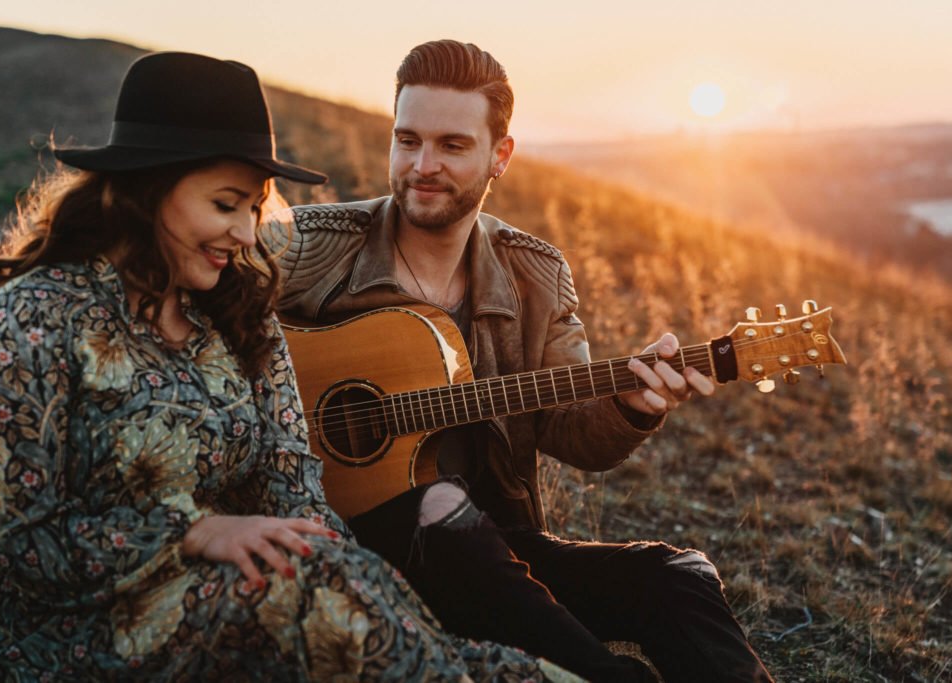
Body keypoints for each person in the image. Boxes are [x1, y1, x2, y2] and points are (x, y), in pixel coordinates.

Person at [0, 51, 584, 682]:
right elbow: (13, 542)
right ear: (146, 190)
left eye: (255, 206)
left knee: (379, 610)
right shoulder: (37, 316)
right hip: (67, 632)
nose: (245, 233)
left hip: (243, 596)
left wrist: (350, 576)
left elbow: (294, 483)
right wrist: (193, 533)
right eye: (224, 204)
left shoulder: (239, 310)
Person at [273, 40, 773, 682]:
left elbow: (572, 432)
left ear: (498, 156)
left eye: (452, 146)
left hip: (501, 556)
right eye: (407, 140)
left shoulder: (535, 272)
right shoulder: (308, 245)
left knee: (677, 578)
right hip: (347, 547)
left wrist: (632, 404)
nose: (422, 165)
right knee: (440, 509)